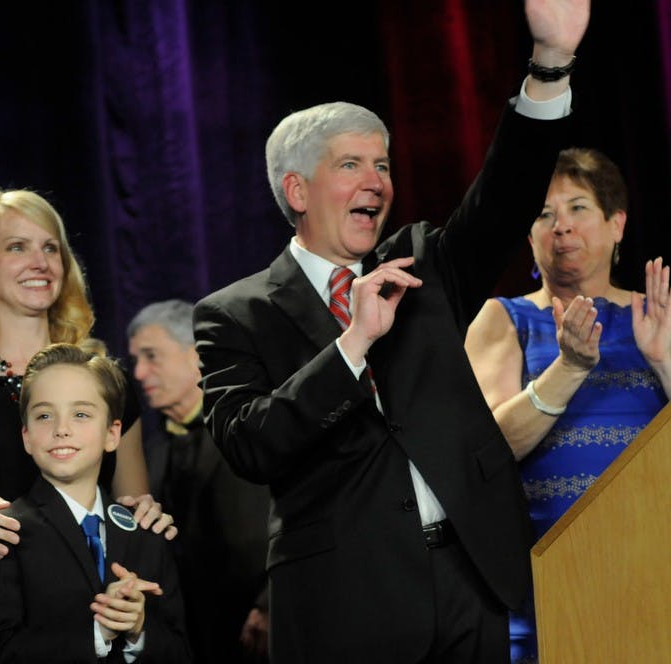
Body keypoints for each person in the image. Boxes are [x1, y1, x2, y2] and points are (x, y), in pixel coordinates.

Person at [191, 1, 590, 661]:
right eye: (351, 165)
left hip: (470, 581)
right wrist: (352, 345)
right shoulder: (235, 314)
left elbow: (506, 196)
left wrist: (550, 64)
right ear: (298, 190)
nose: (377, 181)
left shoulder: (423, 264)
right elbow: (249, 445)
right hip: (348, 602)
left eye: (382, 165)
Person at [464, 147, 670, 663]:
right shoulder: (500, 319)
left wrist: (664, 363)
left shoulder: (661, 319)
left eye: (578, 208)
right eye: (544, 215)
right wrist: (569, 367)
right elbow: (485, 448)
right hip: (542, 580)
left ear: (616, 224)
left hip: (652, 572)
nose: (561, 228)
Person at [0, 343, 191, 663]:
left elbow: (181, 652)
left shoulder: (146, 530)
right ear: (27, 436)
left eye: (81, 414)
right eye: (45, 415)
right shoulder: (6, 533)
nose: (62, 429)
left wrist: (138, 630)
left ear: (112, 434)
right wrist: (97, 633)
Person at [127, 299, 270, 663]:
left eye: (151, 356)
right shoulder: (148, 452)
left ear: (196, 356)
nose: (140, 373)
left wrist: (271, 604)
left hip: (263, 628)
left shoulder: (251, 426)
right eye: (136, 361)